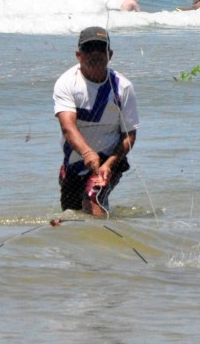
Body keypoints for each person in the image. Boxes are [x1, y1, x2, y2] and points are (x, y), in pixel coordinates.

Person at [53, 26, 138, 217]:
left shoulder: (122, 87)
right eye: (89, 48)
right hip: (75, 161)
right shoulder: (67, 83)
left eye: (101, 48)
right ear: (78, 55)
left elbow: (130, 135)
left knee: (92, 199)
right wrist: (87, 152)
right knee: (71, 213)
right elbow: (68, 127)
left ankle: (104, 242)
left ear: (110, 54)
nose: (95, 53)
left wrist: (109, 164)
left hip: (111, 158)